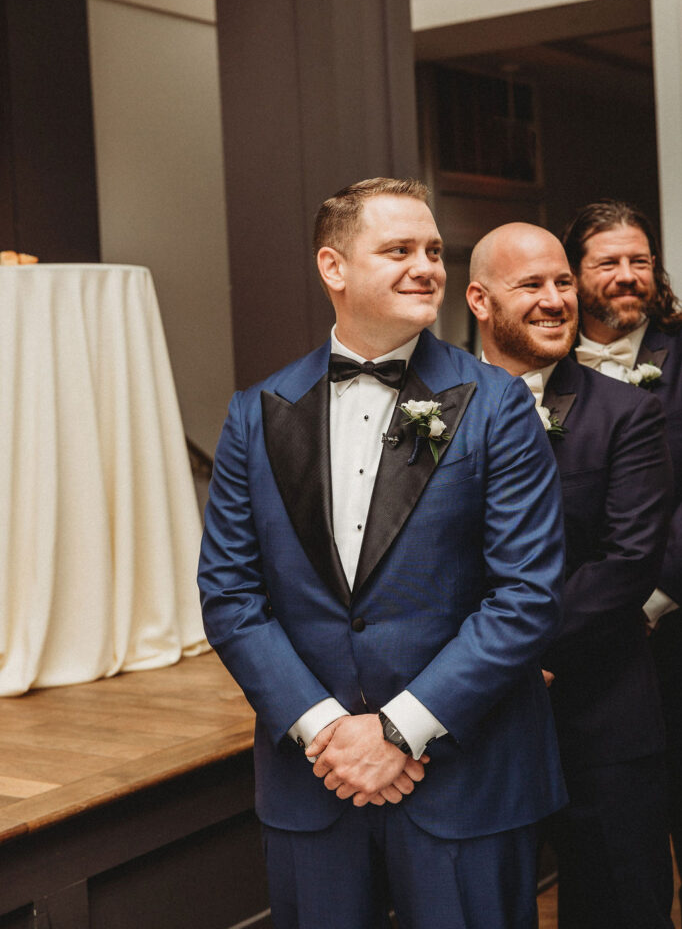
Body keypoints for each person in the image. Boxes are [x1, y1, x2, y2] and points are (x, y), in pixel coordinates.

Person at [198, 178, 567, 929]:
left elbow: (526, 593)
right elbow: (231, 595)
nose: (426, 266)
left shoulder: (496, 406)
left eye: (433, 251)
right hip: (315, 781)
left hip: (467, 780)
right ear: (333, 267)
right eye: (397, 249)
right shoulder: (255, 413)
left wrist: (398, 731)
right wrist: (327, 730)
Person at [466, 221, 675, 929]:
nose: (556, 299)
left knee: (620, 906)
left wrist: (514, 657)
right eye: (531, 284)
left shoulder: (625, 414)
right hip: (470, 727)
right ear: (478, 299)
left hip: (598, 716)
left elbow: (625, 562)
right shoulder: (429, 412)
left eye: (561, 282)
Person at [563, 199, 682, 909]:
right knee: (614, 836)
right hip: (590, 639)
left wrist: (649, 592)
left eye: (637, 260)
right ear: (574, 274)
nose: (626, 275)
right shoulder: (542, 359)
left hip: (672, 615)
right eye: (607, 262)